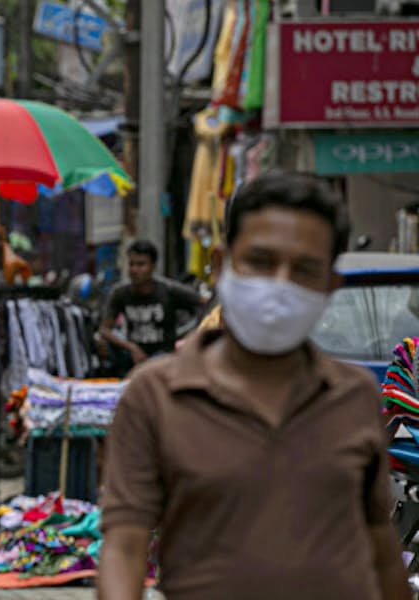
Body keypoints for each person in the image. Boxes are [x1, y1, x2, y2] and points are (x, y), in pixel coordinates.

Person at [98, 172, 410, 600]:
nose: (280, 285)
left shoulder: (354, 397)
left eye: (303, 269)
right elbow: (124, 546)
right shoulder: (155, 396)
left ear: (329, 285)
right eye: (261, 262)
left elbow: (381, 550)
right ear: (222, 265)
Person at [97, 240, 205, 369]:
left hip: (164, 356)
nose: (135, 270)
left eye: (141, 265)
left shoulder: (169, 290)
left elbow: (203, 303)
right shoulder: (120, 293)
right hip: (132, 356)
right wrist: (131, 347)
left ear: (153, 267)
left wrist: (189, 336)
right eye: (131, 264)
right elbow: (104, 329)